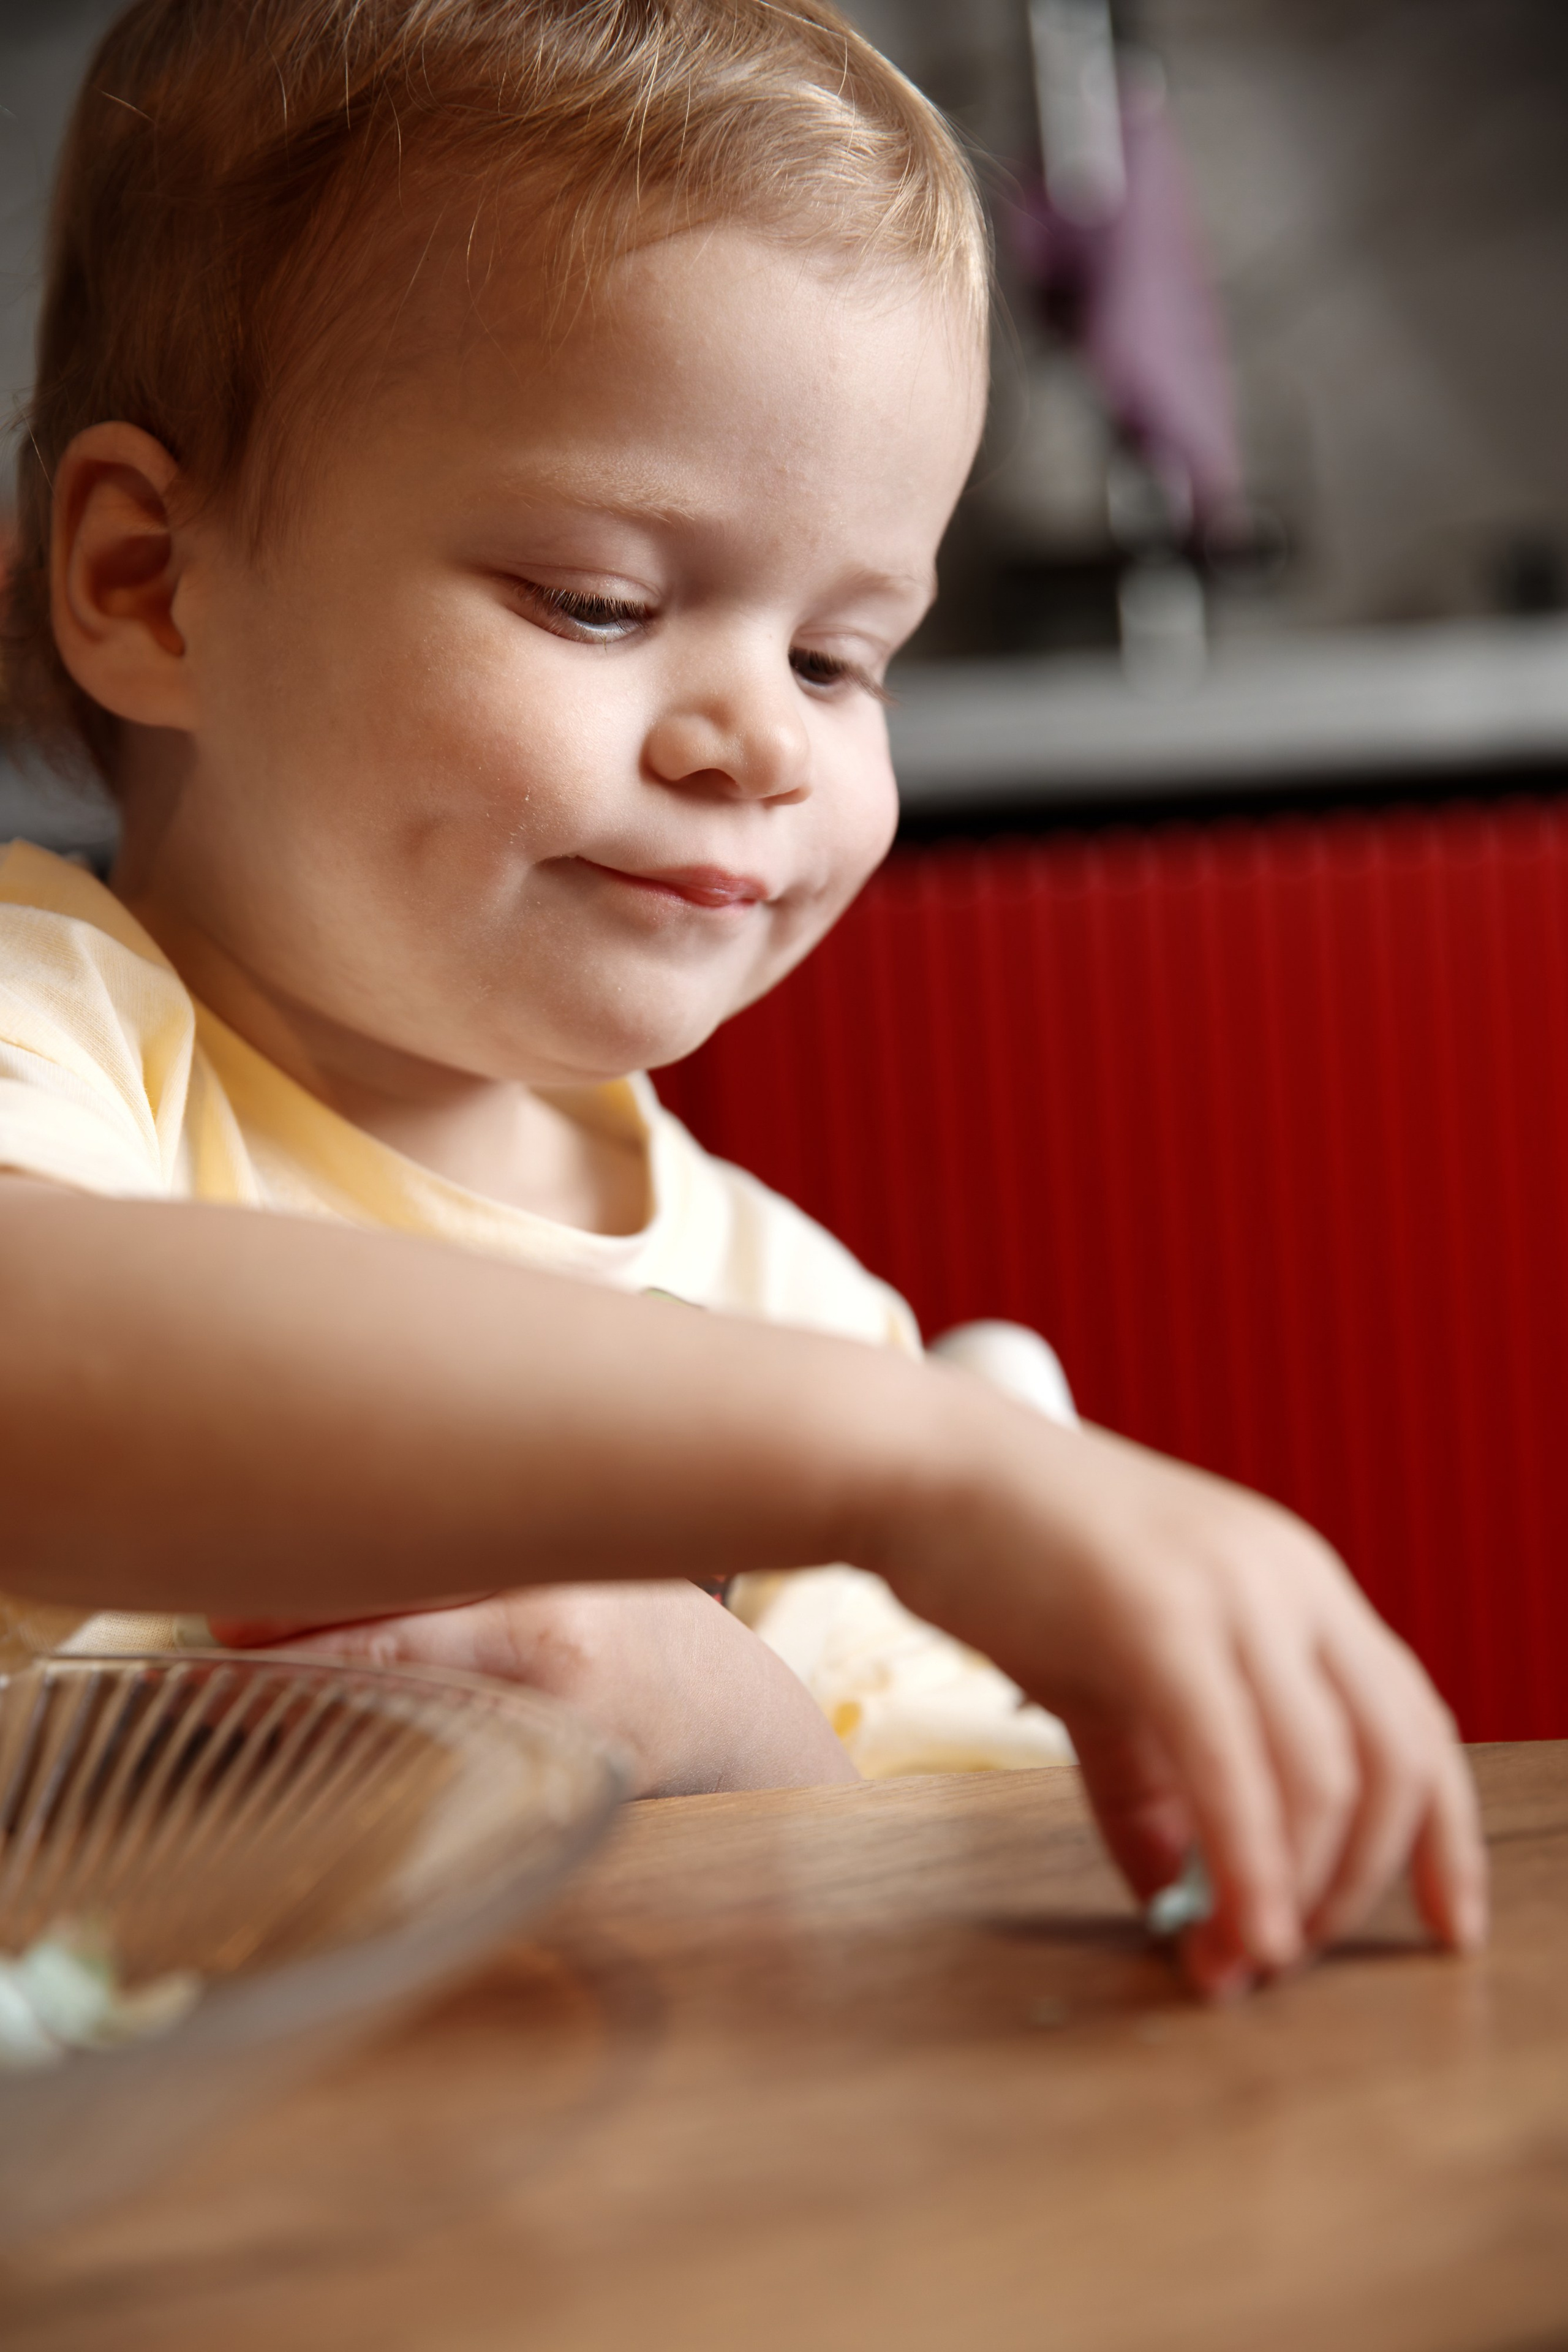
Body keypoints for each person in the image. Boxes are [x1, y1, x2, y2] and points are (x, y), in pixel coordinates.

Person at [0, 0, 1483, 2002]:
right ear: (151, 581)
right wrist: (907, 1466)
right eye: (602, 602)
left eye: (845, 658)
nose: (758, 745)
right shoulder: (61, 1030)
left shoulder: (785, 1305)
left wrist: (703, 1709)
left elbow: (944, 1900)